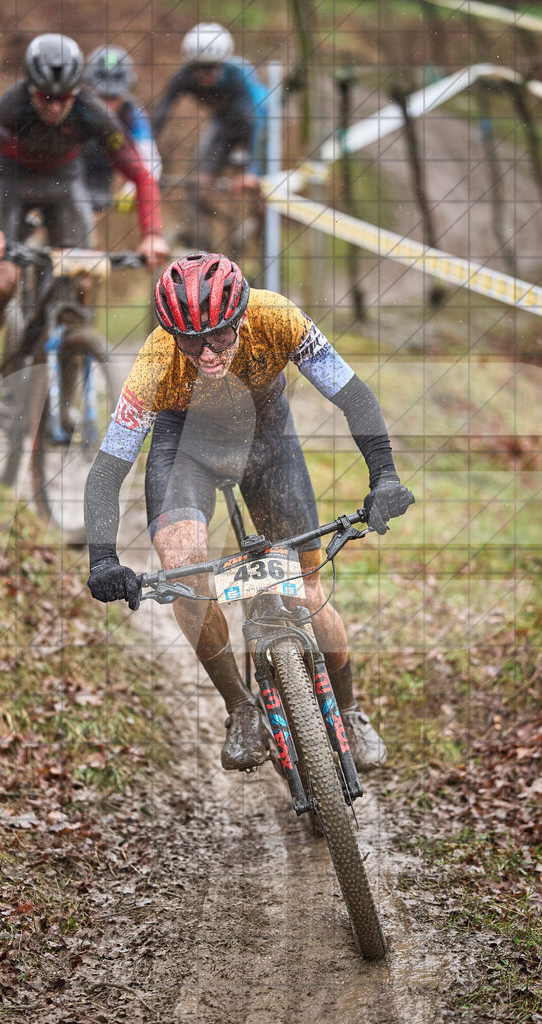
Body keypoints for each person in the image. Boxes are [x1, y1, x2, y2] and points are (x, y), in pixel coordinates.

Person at [84, 252, 414, 773]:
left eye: (219, 336)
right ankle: (240, 709)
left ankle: (348, 710)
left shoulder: (277, 316)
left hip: (266, 439)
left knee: (305, 588)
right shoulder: (154, 365)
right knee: (184, 568)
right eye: (190, 341)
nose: (207, 353)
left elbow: (353, 396)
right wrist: (102, 557)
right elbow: (107, 470)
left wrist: (385, 476)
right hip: (184, 448)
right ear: (170, 333)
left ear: (241, 317)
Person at [0, 33, 169, 414]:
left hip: (63, 185)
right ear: (31, 88)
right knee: (4, 279)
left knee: (83, 276)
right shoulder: (12, 105)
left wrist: (152, 234)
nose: (55, 107)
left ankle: (68, 384)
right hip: (11, 184)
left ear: (77, 92)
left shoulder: (90, 109)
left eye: (64, 99)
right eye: (45, 98)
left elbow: (141, 173)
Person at [152, 23, 268, 245]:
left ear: (224, 62)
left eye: (213, 68)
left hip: (259, 122)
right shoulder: (183, 77)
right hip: (223, 124)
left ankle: (261, 234)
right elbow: (161, 115)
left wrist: (253, 171)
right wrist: (145, 154)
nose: (206, 75)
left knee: (261, 191)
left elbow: (257, 123)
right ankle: (203, 246)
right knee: (198, 184)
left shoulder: (237, 76)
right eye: (199, 68)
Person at [81, 44, 162, 213]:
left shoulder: (133, 113)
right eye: (101, 97)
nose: (108, 106)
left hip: (103, 168)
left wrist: (130, 190)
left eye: (113, 97)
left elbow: (151, 160)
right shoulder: (74, 105)